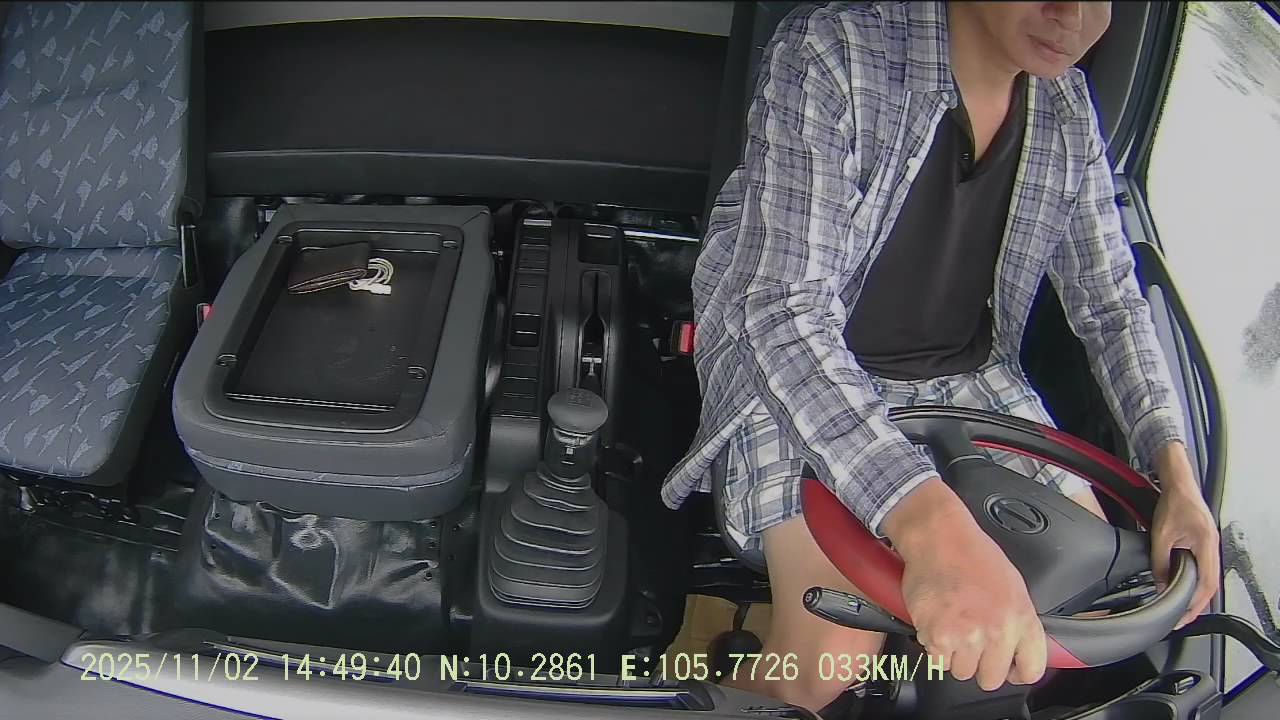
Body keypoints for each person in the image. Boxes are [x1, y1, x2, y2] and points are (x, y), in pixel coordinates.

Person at [661, 1, 1221, 713]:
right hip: (798, 374)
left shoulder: (1067, 111)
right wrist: (932, 526)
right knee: (825, 670)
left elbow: (1111, 304)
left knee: (1056, 621)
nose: (1071, 15)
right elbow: (782, 312)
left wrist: (1177, 475)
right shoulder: (836, 53)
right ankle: (734, 670)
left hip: (969, 380)